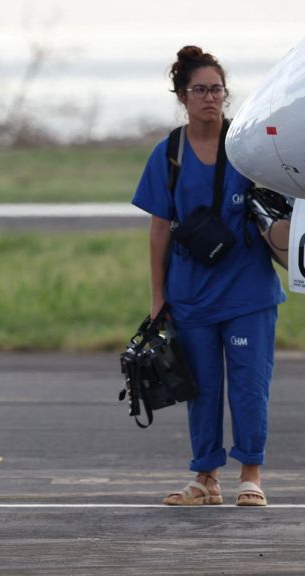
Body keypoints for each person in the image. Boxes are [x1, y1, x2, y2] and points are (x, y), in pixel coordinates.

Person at [131, 46, 284, 507]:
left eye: (217, 89)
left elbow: (281, 206)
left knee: (249, 384)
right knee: (201, 390)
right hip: (192, 296)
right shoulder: (169, 153)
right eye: (200, 89)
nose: (210, 98)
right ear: (182, 95)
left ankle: (251, 475)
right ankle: (206, 478)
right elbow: (159, 229)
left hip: (248, 294)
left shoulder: (248, 147)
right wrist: (158, 297)